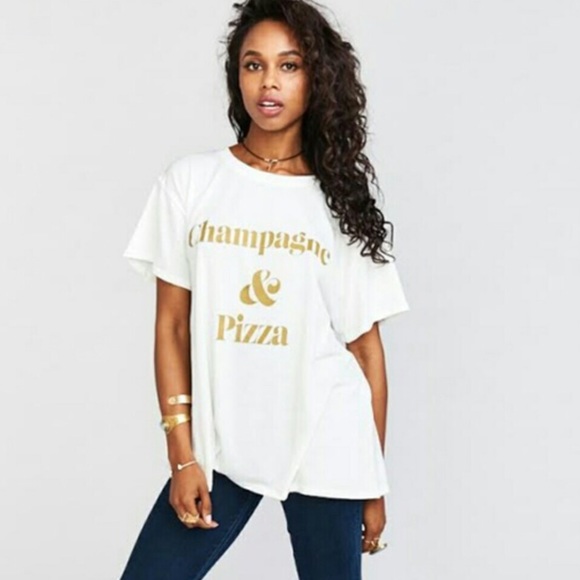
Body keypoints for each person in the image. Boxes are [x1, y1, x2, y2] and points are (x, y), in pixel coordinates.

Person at [119, 0, 410, 578]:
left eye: (289, 65)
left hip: (327, 442)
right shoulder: (193, 183)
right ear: (237, 77)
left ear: (316, 78)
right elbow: (172, 325)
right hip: (223, 441)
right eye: (254, 65)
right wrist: (182, 453)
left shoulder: (338, 203)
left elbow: (366, 351)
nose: (269, 81)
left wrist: (373, 481)